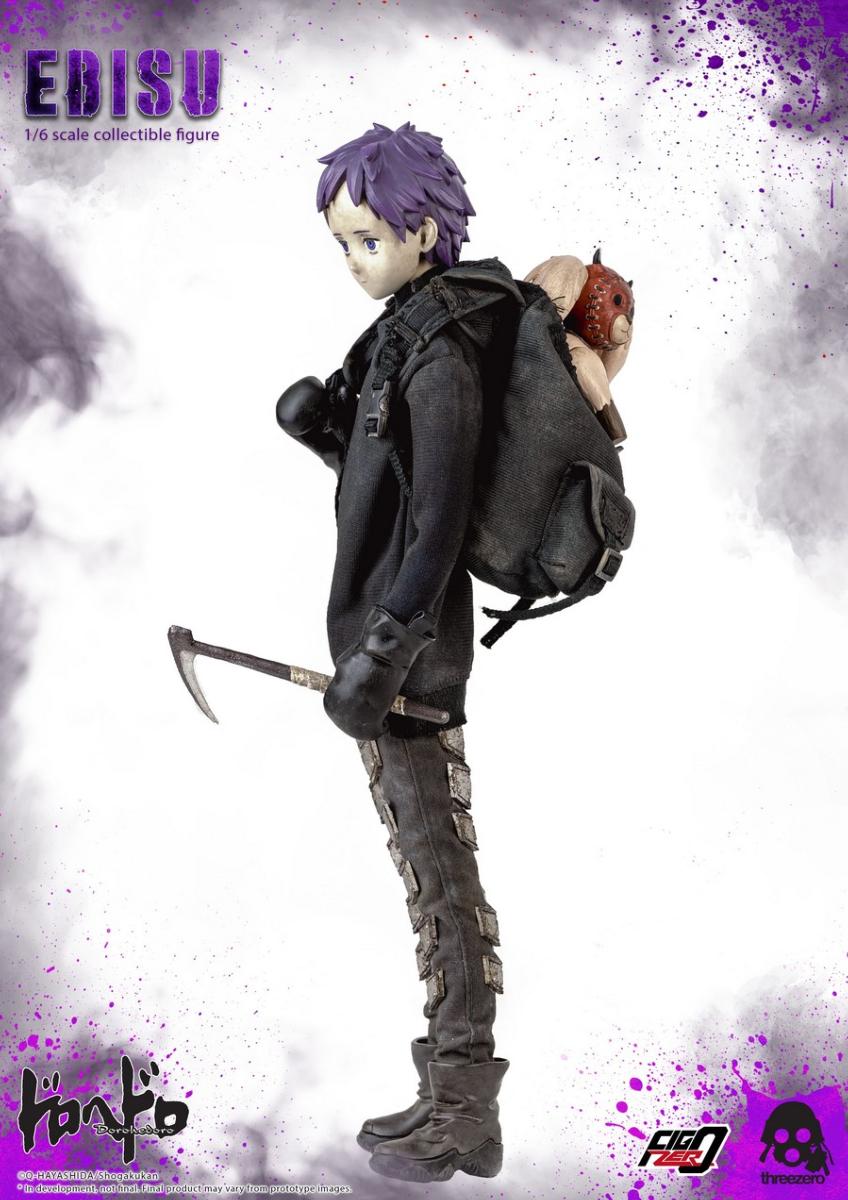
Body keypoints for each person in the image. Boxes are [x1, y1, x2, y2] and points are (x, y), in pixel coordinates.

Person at [276, 121, 509, 1184]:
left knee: (440, 877)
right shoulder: (402, 338)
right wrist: (332, 437)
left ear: (423, 230)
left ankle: (464, 1109)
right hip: (386, 646)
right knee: (426, 871)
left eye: (367, 239)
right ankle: (449, 1095)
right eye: (342, 243)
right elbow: (397, 485)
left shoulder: (441, 354)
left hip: (411, 662)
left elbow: (441, 522)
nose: (353, 260)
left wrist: (383, 652)